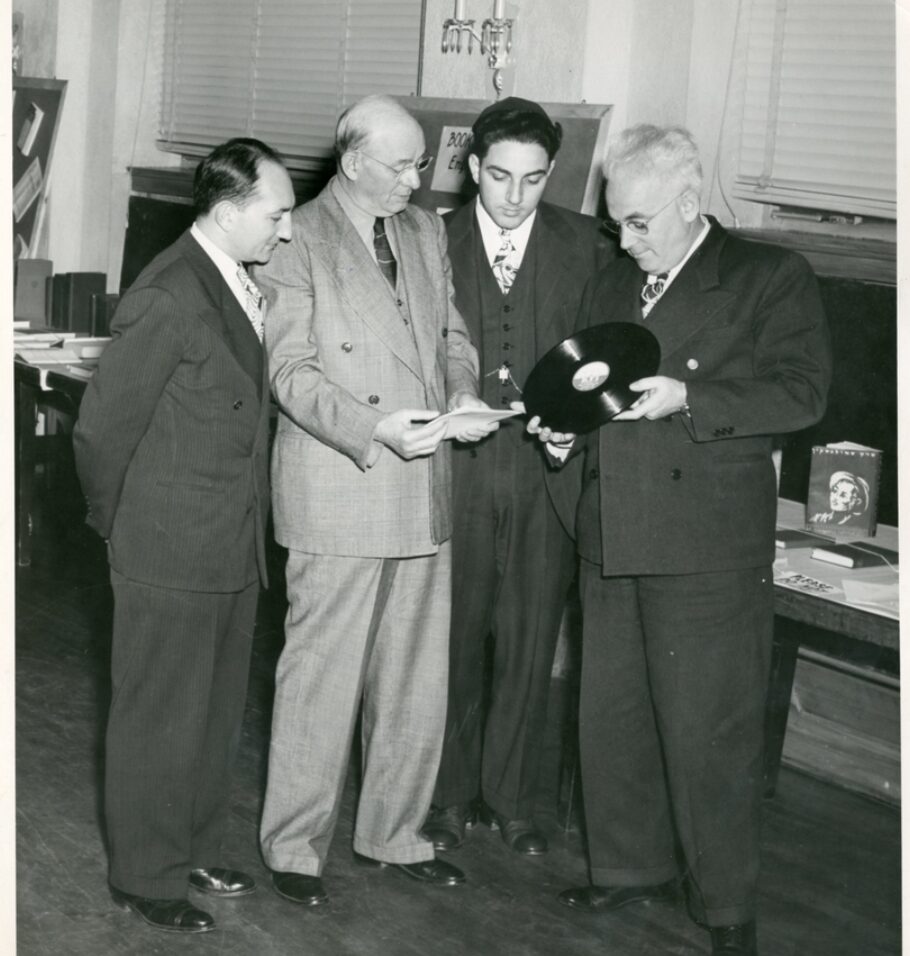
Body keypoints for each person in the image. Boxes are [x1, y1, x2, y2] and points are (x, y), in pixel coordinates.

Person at [529, 125, 831, 955]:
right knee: (612, 716)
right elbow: (588, 392)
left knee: (708, 732)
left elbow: (803, 394)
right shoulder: (613, 279)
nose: (624, 241)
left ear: (691, 205)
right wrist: (563, 435)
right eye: (616, 223)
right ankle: (629, 869)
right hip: (613, 529)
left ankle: (727, 906)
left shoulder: (770, 277)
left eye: (639, 222)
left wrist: (691, 401)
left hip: (705, 545)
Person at [256, 94, 496, 906]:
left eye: (421, 163)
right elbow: (288, 373)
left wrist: (463, 399)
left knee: (414, 681)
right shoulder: (297, 236)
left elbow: (452, 337)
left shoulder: (425, 230)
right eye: (400, 164)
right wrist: (375, 429)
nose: (416, 178)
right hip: (343, 482)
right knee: (320, 680)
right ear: (353, 162)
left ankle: (394, 833)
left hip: (424, 488)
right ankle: (294, 849)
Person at [73, 138, 295, 933]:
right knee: (158, 717)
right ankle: (145, 875)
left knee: (210, 713)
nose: (287, 231)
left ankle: (194, 845)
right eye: (277, 216)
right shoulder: (168, 293)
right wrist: (120, 529)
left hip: (229, 545)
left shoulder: (233, 277)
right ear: (230, 213)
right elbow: (101, 434)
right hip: (166, 546)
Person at [421, 97, 614, 856]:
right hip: (459, 472)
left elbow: (609, 360)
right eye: (499, 176)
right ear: (472, 168)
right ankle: (444, 797)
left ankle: (514, 801)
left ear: (551, 175)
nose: (514, 195)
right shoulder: (429, 241)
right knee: (452, 640)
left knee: (532, 642)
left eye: (533, 180)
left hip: (546, 474)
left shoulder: (589, 248)